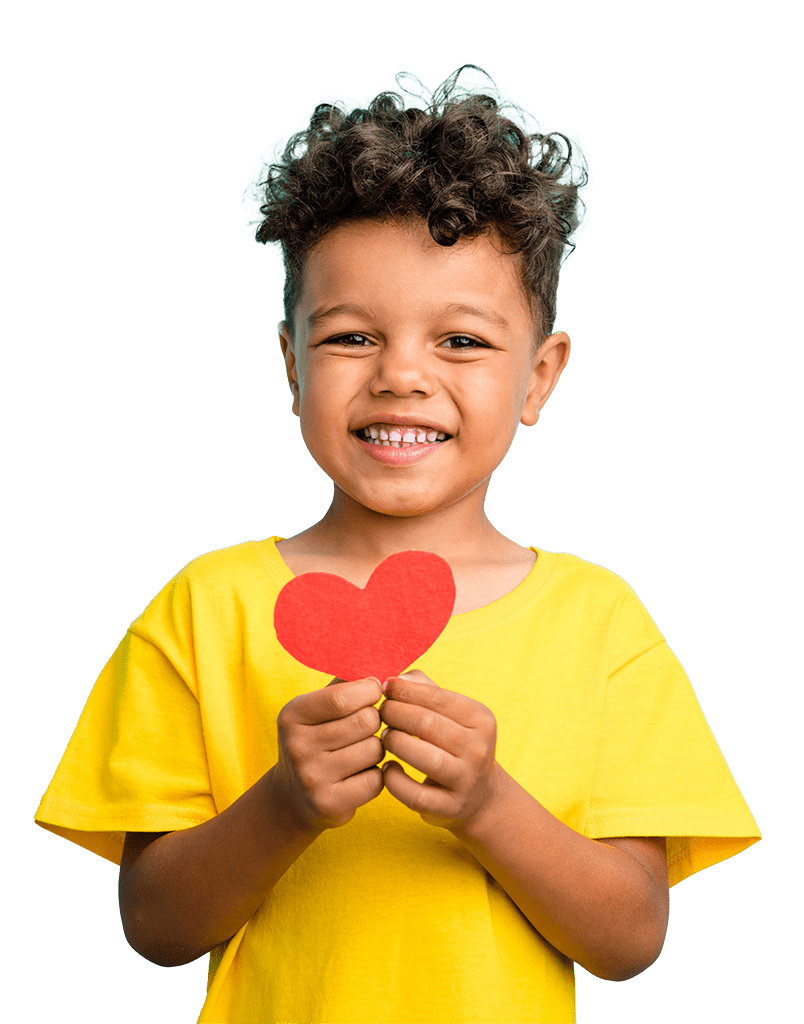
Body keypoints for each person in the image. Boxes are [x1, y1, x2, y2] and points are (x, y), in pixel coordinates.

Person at [34, 64, 761, 1024]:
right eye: (349, 339)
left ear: (540, 377)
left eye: (460, 342)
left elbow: (630, 940)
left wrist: (490, 806)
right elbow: (156, 928)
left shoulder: (602, 623)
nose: (402, 376)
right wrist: (284, 805)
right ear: (291, 363)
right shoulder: (204, 609)